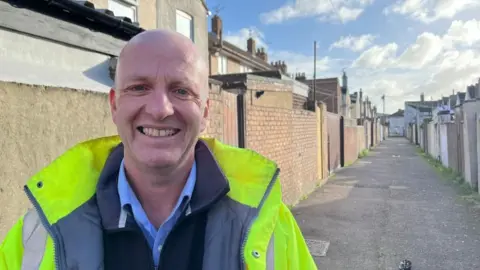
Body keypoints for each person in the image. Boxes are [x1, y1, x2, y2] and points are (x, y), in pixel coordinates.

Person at [0, 29, 317, 270]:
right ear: (114, 105)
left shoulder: (271, 226)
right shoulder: (41, 230)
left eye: (181, 90)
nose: (160, 108)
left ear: (206, 112)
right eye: (139, 87)